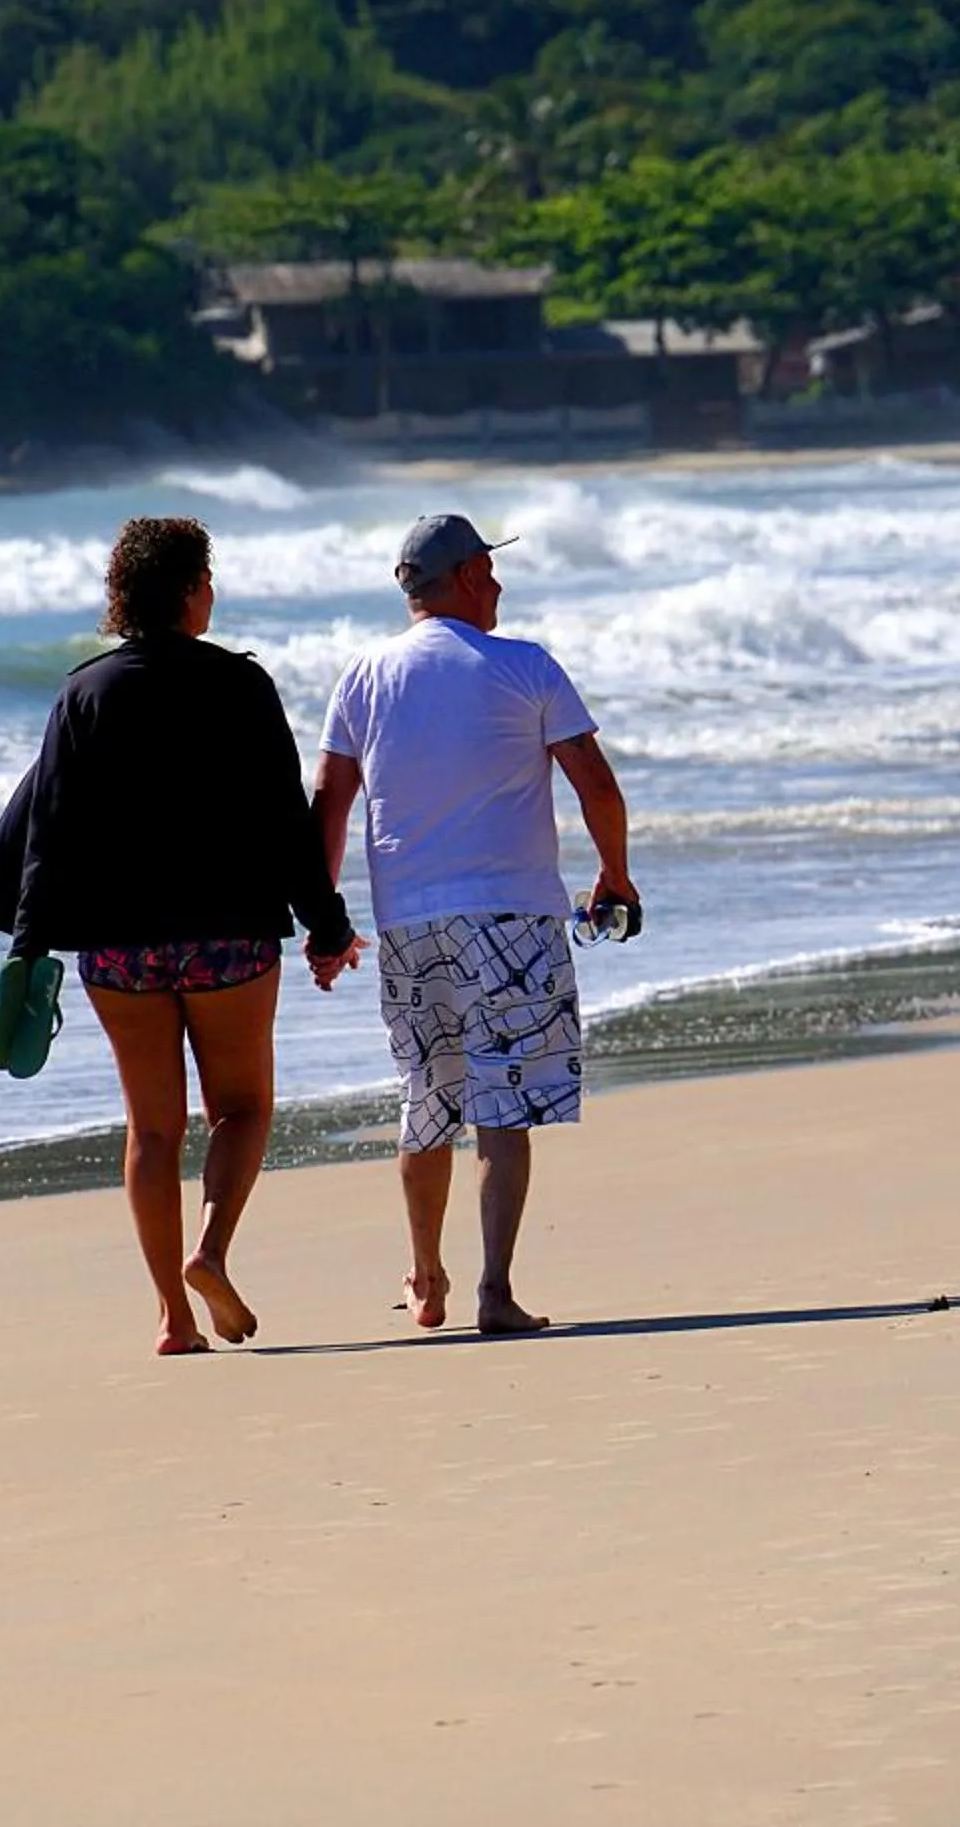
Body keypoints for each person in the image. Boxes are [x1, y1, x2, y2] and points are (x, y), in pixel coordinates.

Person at [0, 518, 363, 1355]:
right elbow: (286, 824)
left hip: (119, 950)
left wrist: (27, 945)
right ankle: (212, 1250)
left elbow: (48, 834)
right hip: (229, 939)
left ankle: (172, 1319)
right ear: (193, 591)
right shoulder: (241, 687)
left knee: (153, 1132)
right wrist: (327, 928)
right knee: (243, 1107)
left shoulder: (84, 694)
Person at [311, 514, 636, 1336]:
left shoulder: (363, 676)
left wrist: (326, 918)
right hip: (514, 917)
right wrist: (616, 876)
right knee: (506, 1106)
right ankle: (494, 1292)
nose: (497, 584)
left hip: (410, 923)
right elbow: (594, 782)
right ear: (461, 576)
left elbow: (329, 804)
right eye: (488, 569)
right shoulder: (523, 666)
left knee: (427, 1099)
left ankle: (425, 1276)